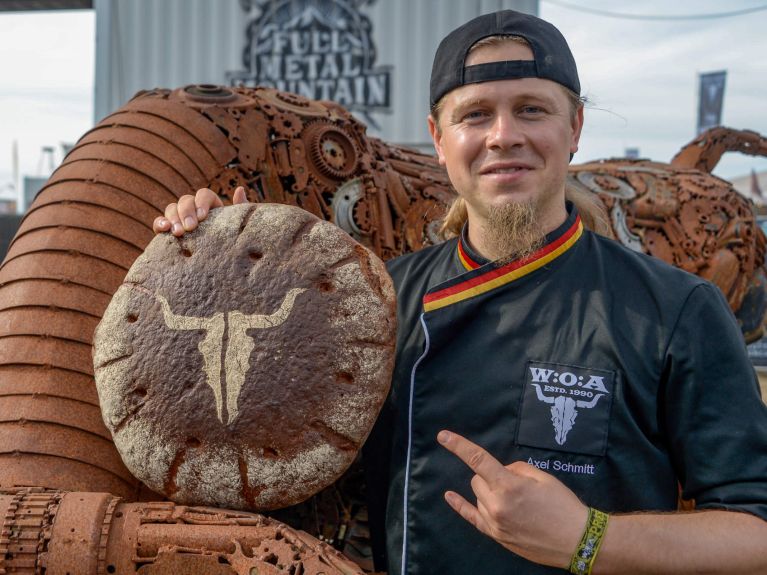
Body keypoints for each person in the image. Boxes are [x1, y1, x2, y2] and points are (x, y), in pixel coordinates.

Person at [155, 10, 767, 574]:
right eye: (475, 114)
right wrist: (213, 252)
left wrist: (589, 537)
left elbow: (755, 532)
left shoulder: (674, 308)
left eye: (532, 109)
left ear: (575, 126)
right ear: (439, 137)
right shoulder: (377, 300)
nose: (504, 135)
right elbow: (260, 436)